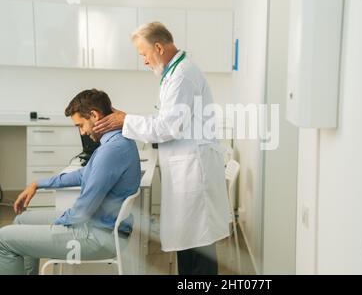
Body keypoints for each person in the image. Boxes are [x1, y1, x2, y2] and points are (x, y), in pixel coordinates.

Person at [93, 22, 231, 275]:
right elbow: (166, 121)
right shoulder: (174, 74)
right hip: (186, 167)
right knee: (189, 242)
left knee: (199, 246)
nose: (144, 61)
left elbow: (167, 127)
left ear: (158, 47)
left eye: (144, 54)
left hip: (194, 170)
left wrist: (126, 120)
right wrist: (128, 119)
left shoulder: (182, 76)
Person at [0, 89, 141, 275]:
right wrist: (38, 183)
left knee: (3, 239)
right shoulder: (117, 141)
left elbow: (81, 212)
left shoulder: (111, 150)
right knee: (21, 220)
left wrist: (56, 224)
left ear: (94, 115)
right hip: (99, 227)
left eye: (80, 125)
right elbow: (84, 174)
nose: (82, 132)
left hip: (98, 237)